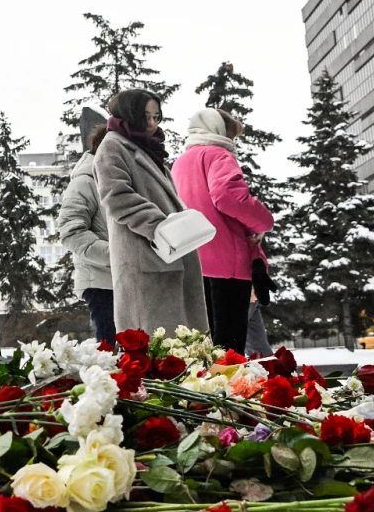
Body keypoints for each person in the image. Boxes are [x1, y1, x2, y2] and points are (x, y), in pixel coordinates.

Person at [94, 90, 209, 335]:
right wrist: (159, 226)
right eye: (146, 116)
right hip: (144, 258)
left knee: (180, 347)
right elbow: (116, 196)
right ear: (129, 114)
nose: (152, 124)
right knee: (154, 348)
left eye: (157, 117)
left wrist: (178, 227)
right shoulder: (112, 146)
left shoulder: (150, 150)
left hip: (171, 254)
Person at [172, 109, 275, 353]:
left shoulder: (180, 163)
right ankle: (226, 392)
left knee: (203, 346)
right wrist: (263, 222)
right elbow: (227, 196)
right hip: (226, 262)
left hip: (192, 260)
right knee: (230, 348)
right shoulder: (219, 154)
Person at [59, 126, 115, 344]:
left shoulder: (118, 180)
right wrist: (117, 254)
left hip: (126, 279)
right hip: (100, 282)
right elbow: (71, 232)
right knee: (111, 352)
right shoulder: (85, 181)